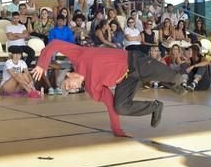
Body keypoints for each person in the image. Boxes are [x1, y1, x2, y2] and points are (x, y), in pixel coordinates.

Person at [32, 40, 185, 137]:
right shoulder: (92, 89)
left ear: (69, 75)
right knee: (120, 107)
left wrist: (42, 64)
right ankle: (155, 107)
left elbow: (54, 44)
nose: (70, 89)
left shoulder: (79, 56)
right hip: (126, 80)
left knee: (176, 78)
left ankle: (175, 85)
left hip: (135, 62)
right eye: (69, 91)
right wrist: (117, 130)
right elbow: (110, 105)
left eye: (67, 85)